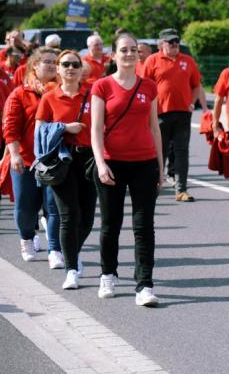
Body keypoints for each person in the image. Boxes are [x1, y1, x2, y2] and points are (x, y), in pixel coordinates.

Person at [90, 34, 162, 307]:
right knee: (111, 223)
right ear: (113, 55)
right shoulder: (102, 86)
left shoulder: (149, 86)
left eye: (133, 50)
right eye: (124, 50)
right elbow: (96, 130)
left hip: (145, 163)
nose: (129, 54)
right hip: (112, 163)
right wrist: (100, 163)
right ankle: (108, 274)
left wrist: (160, 166)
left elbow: (155, 127)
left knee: (144, 227)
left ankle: (144, 285)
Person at [36, 49, 96, 289]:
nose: (70, 68)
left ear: (81, 69)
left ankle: (72, 251)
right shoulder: (49, 97)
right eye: (65, 64)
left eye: (74, 64)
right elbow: (39, 131)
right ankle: (71, 268)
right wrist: (64, 128)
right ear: (58, 70)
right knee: (68, 216)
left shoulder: (92, 95)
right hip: (62, 161)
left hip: (90, 158)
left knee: (88, 218)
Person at [3, 47, 62, 264]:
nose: (52, 65)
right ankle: (27, 237)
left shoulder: (62, 92)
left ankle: (55, 249)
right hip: (26, 160)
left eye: (55, 62)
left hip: (54, 161)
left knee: (53, 206)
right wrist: (15, 154)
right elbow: (10, 127)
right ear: (34, 65)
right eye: (46, 61)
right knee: (26, 207)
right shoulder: (20, 93)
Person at [142, 28, 205, 202]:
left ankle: (181, 189)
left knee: (181, 151)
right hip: (160, 113)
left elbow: (196, 85)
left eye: (177, 41)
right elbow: (143, 86)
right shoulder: (152, 60)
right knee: (157, 151)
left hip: (183, 113)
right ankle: (153, 186)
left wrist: (192, 102)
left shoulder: (188, 61)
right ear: (161, 44)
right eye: (171, 42)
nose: (175, 44)